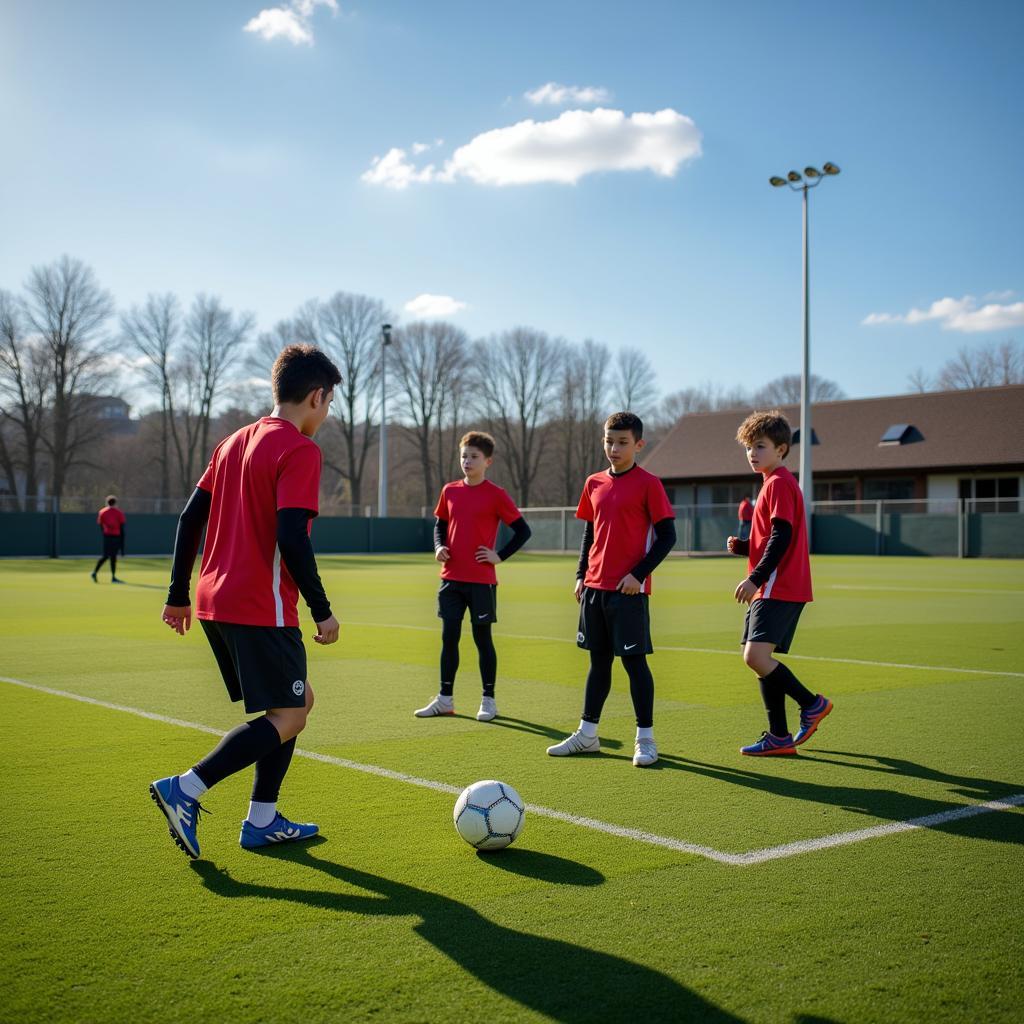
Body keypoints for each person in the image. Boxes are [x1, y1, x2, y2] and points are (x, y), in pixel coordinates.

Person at [149, 344, 342, 860]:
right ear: (317, 396)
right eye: (329, 403)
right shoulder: (300, 449)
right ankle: (186, 788)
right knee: (292, 713)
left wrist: (177, 595)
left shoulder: (233, 442)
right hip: (261, 604)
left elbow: (189, 519)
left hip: (215, 599)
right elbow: (292, 537)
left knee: (295, 704)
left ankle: (262, 820)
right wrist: (322, 609)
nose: (327, 414)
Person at [547, 411, 676, 767]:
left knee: (634, 665)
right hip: (593, 588)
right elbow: (590, 534)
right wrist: (580, 574)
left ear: (639, 444)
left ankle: (645, 739)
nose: (614, 448)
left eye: (622, 442)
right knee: (597, 664)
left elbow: (668, 536)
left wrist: (638, 574)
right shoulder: (593, 483)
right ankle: (587, 735)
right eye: (609, 441)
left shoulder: (649, 483)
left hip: (629, 592)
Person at [727, 410, 832, 756]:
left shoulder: (780, 484)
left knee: (755, 656)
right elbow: (771, 536)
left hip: (778, 585)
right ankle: (779, 737)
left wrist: (755, 577)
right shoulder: (772, 484)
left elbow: (782, 537)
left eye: (760, 446)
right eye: (749, 448)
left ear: (782, 449)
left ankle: (811, 703)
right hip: (773, 585)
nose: (752, 454)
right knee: (760, 658)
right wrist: (745, 547)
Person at [414, 431, 531, 723]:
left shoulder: (496, 495)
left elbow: (523, 531)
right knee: (448, 638)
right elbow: (439, 526)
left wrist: (499, 556)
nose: (467, 461)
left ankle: (488, 701)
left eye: (474, 457)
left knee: (482, 639)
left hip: (481, 581)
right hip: (451, 579)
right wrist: (439, 546)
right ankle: (444, 699)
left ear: (487, 461)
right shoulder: (449, 491)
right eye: (464, 455)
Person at [91, 495, 126, 583]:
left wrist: (104, 532)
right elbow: (122, 527)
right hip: (115, 537)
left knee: (106, 555)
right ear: (115, 503)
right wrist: (122, 542)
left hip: (107, 536)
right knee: (113, 557)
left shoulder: (102, 512)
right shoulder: (119, 512)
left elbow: (100, 524)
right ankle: (113, 577)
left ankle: (95, 572)